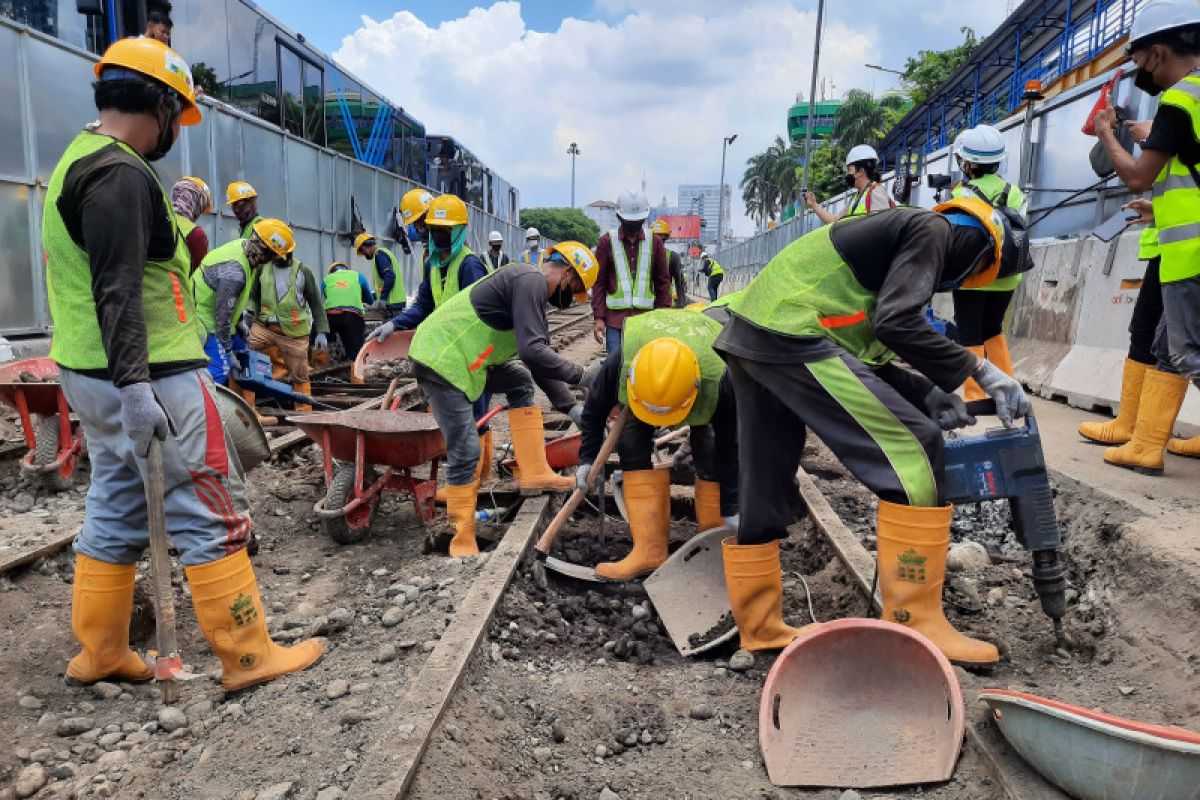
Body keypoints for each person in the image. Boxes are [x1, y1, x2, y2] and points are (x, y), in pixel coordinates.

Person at [43, 36, 321, 693]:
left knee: (115, 501)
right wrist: (139, 388)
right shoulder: (117, 173)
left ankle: (102, 651)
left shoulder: (80, 160)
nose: (177, 130)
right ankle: (247, 655)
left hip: (91, 374)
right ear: (163, 104)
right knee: (206, 501)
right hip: (150, 376)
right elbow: (118, 288)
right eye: (180, 114)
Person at [713, 198, 1031, 664]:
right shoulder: (934, 230)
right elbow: (896, 323)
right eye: (977, 272)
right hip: (791, 332)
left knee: (765, 476)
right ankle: (916, 625)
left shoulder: (887, 249)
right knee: (917, 448)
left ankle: (760, 628)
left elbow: (866, 355)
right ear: (982, 248)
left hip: (756, 334)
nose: (960, 281)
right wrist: (979, 370)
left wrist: (927, 391)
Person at [408, 242, 600, 556]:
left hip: (465, 362)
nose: (569, 297)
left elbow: (536, 361)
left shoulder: (530, 288)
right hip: (441, 360)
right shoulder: (530, 280)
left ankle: (534, 471)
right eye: (575, 288)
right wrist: (580, 374)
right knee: (465, 447)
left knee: (520, 380)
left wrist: (570, 407)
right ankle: (460, 537)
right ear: (568, 273)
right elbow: (533, 351)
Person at [1093, 0, 1200, 473]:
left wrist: (1107, 136)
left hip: (1190, 253)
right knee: (1167, 347)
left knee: (1187, 352)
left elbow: (1137, 175)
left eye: (1138, 61)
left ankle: (1143, 444)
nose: (1141, 73)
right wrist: (1159, 207)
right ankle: (1145, 445)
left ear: (1157, 54)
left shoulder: (1180, 99)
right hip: (1188, 245)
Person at [576, 305, 738, 580]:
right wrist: (586, 460)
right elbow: (593, 413)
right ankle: (649, 550)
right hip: (648, 386)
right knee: (629, 439)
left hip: (703, 380)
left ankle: (713, 547)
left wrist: (733, 507)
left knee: (710, 447)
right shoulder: (621, 363)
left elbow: (731, 448)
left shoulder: (721, 377)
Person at [370, 194, 500, 490]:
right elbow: (424, 305)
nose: (437, 236)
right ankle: (467, 477)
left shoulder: (470, 266)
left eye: (444, 231)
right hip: (449, 355)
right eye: (434, 230)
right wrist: (395, 324)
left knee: (476, 415)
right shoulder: (434, 264)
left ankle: (477, 480)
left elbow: (482, 315)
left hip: (472, 353)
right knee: (456, 419)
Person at [949, 125, 1028, 408]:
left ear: (967, 163)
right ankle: (1007, 388)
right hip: (1007, 276)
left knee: (969, 333)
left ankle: (976, 395)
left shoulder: (962, 193)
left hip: (974, 277)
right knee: (993, 329)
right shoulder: (1014, 192)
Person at [194, 219, 294, 388]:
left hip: (220, 316)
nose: (272, 260)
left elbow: (233, 300)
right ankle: (206, 411)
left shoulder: (246, 249)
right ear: (265, 250)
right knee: (220, 369)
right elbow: (222, 317)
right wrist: (227, 351)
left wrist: (240, 321)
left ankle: (241, 406)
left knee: (246, 357)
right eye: (272, 255)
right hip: (205, 321)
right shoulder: (235, 273)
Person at [247, 250, 329, 412]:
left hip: (294, 332)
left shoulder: (303, 272)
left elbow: (316, 303)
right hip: (264, 326)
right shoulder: (263, 269)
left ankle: (303, 411)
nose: (278, 257)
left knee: (300, 373)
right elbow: (253, 296)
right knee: (245, 358)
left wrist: (321, 330)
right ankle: (246, 409)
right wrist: (248, 312)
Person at [591, 190, 672, 353]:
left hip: (646, 320)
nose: (634, 225)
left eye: (638, 221)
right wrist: (599, 317)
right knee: (616, 369)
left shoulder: (654, 242)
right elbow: (599, 282)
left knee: (645, 367)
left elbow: (663, 281)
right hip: (615, 321)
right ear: (620, 217)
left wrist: (663, 315)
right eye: (630, 221)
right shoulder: (607, 242)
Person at [805, 144, 896, 223]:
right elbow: (834, 221)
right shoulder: (856, 197)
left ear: (860, 171)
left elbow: (881, 229)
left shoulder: (876, 192)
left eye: (849, 170)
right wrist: (814, 205)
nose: (847, 174)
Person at [322, 262, 375, 368]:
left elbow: (327, 296)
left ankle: (324, 364)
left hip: (331, 315)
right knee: (355, 348)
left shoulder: (326, 279)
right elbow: (370, 300)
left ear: (331, 271)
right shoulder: (358, 276)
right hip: (353, 315)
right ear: (347, 269)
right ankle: (356, 371)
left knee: (324, 340)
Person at [355, 232, 405, 318]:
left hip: (392, 304)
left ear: (364, 248)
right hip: (394, 303)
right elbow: (383, 282)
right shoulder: (381, 254)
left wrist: (383, 298)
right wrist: (374, 298)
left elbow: (390, 276)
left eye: (363, 252)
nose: (364, 255)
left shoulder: (380, 255)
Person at [171, 175, 211, 272]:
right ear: (196, 203)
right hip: (176, 286)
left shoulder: (157, 218)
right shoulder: (196, 234)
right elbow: (198, 275)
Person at [650, 219, 688, 307]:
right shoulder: (643, 255)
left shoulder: (672, 256)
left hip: (663, 304)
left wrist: (681, 305)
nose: (658, 242)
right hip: (646, 304)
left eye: (661, 239)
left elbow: (679, 282)